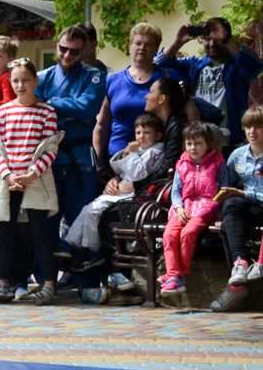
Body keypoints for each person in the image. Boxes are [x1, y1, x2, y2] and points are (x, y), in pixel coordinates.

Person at [0, 59, 61, 305]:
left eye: (25, 80)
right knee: (5, 232)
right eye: (15, 81)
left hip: (35, 180)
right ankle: (2, 282)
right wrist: (8, 175)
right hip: (8, 181)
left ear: (36, 81)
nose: (20, 85)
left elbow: (50, 149)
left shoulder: (47, 112)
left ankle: (49, 284)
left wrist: (31, 175)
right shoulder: (3, 112)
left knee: (39, 232)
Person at [36, 25, 108, 288]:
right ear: (57, 45)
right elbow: (35, 110)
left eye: (74, 51)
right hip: (50, 157)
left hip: (80, 157)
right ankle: (46, 280)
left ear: (85, 50)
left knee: (82, 221)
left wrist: (51, 103)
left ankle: (84, 280)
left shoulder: (95, 76)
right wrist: (71, 110)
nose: (67, 55)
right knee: (47, 222)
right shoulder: (42, 77)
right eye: (63, 49)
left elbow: (88, 108)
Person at [155, 18, 263, 151]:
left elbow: (256, 66)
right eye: (207, 39)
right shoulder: (192, 65)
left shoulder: (237, 67)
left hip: (229, 143)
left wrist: (227, 40)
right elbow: (157, 65)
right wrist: (178, 42)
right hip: (197, 143)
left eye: (217, 39)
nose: (212, 44)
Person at [65, 113, 166, 254]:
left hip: (134, 196)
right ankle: (70, 244)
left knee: (94, 211)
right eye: (138, 133)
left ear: (158, 136)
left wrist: (132, 155)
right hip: (120, 190)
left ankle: (93, 251)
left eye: (147, 133)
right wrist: (125, 155)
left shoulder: (156, 153)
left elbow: (138, 174)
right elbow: (119, 170)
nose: (141, 137)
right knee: (87, 209)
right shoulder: (139, 150)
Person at [95, 22, 184, 169]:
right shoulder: (112, 81)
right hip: (117, 160)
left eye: (149, 44)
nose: (142, 48)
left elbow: (188, 115)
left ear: (156, 49)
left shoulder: (168, 77)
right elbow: (101, 124)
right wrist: (98, 159)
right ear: (130, 46)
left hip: (155, 160)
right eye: (138, 43)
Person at [155, 122, 227, 296]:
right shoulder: (182, 164)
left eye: (198, 143)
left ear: (209, 144)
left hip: (206, 207)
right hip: (183, 207)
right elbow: (176, 190)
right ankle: (174, 275)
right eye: (189, 143)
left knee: (188, 233)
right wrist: (179, 207)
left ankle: (180, 274)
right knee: (169, 234)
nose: (193, 148)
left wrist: (220, 214)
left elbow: (224, 190)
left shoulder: (218, 163)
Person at [210, 106, 263, 311]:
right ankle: (240, 265)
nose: (252, 132)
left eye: (258, 127)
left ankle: (236, 288)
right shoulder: (238, 155)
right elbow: (226, 186)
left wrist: (241, 193)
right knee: (231, 207)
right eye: (248, 127)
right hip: (250, 207)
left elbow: (240, 192)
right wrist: (218, 212)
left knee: (228, 226)